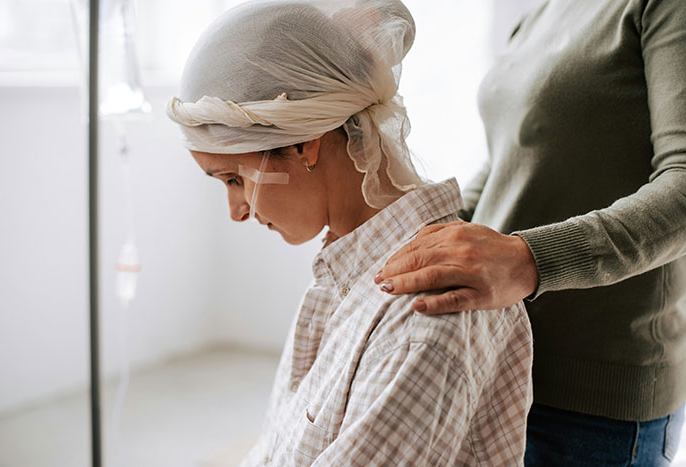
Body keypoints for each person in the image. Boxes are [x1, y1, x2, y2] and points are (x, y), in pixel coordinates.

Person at [166, 1, 533, 465]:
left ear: (304, 143)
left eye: (234, 179)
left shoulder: (424, 309)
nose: (236, 211)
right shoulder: (345, 273)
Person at [375, 0, 686, 465]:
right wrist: (419, 230)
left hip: (594, 399)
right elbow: (509, 159)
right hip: (498, 357)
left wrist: (530, 258)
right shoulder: (539, 12)